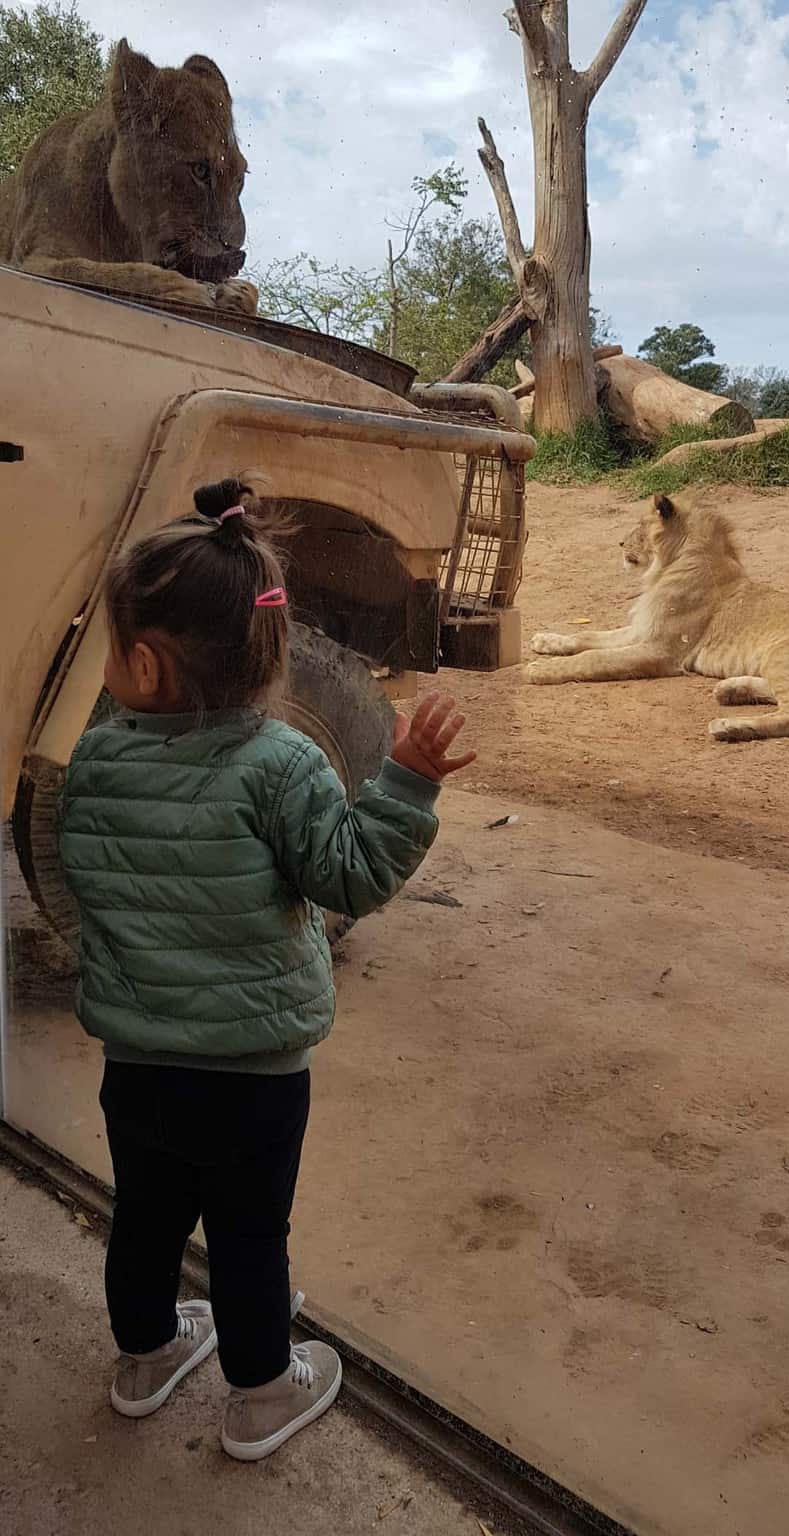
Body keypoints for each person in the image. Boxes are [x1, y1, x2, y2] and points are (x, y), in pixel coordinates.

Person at [59, 476, 475, 1461]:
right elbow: (350, 876)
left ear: (146, 666)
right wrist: (405, 782)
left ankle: (146, 1358)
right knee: (248, 1239)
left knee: (145, 1221)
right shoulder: (279, 763)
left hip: (137, 1060)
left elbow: (83, 881)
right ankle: (256, 1395)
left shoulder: (95, 758)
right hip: (252, 1072)